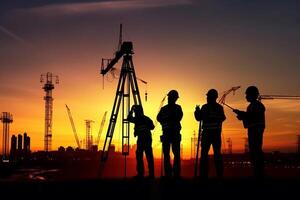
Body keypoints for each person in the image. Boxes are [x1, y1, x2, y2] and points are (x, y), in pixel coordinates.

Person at [233, 86, 265, 179]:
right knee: (254, 151)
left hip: (256, 130)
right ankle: (257, 174)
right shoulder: (251, 106)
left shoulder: (258, 106)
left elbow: (252, 116)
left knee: (256, 151)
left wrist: (242, 114)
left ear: (252, 95)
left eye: (247, 95)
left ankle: (259, 174)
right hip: (253, 130)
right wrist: (242, 115)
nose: (246, 96)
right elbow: (249, 117)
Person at [194, 89, 226, 179]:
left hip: (208, 134)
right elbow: (222, 118)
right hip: (215, 134)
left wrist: (197, 111)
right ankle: (219, 175)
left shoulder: (205, 107)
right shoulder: (219, 108)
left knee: (205, 154)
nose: (207, 98)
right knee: (216, 154)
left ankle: (204, 175)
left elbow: (198, 118)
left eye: (208, 96)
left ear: (212, 97)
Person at [157, 90, 183, 178]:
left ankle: (174, 173)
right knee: (169, 154)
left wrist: (166, 120)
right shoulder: (174, 108)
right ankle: (171, 173)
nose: (169, 99)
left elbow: (178, 117)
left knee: (172, 154)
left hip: (172, 133)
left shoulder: (175, 108)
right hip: (170, 134)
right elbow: (158, 118)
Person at [128, 105, 155, 178]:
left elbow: (129, 118)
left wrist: (131, 110)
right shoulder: (146, 118)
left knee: (140, 156)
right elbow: (152, 127)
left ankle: (141, 173)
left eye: (135, 112)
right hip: (146, 139)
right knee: (148, 156)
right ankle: (151, 174)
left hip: (142, 139)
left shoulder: (137, 119)